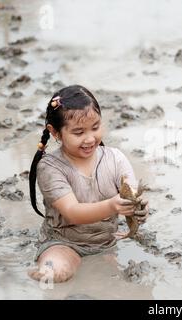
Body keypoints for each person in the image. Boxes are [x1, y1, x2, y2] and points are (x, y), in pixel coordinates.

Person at [28, 85, 149, 283]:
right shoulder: (50, 167)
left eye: (95, 127)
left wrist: (140, 209)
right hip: (64, 241)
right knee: (58, 270)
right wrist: (111, 205)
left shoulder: (115, 158)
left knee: (109, 282)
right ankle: (47, 271)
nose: (90, 138)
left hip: (105, 243)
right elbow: (72, 211)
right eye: (78, 132)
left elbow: (132, 195)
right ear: (55, 132)